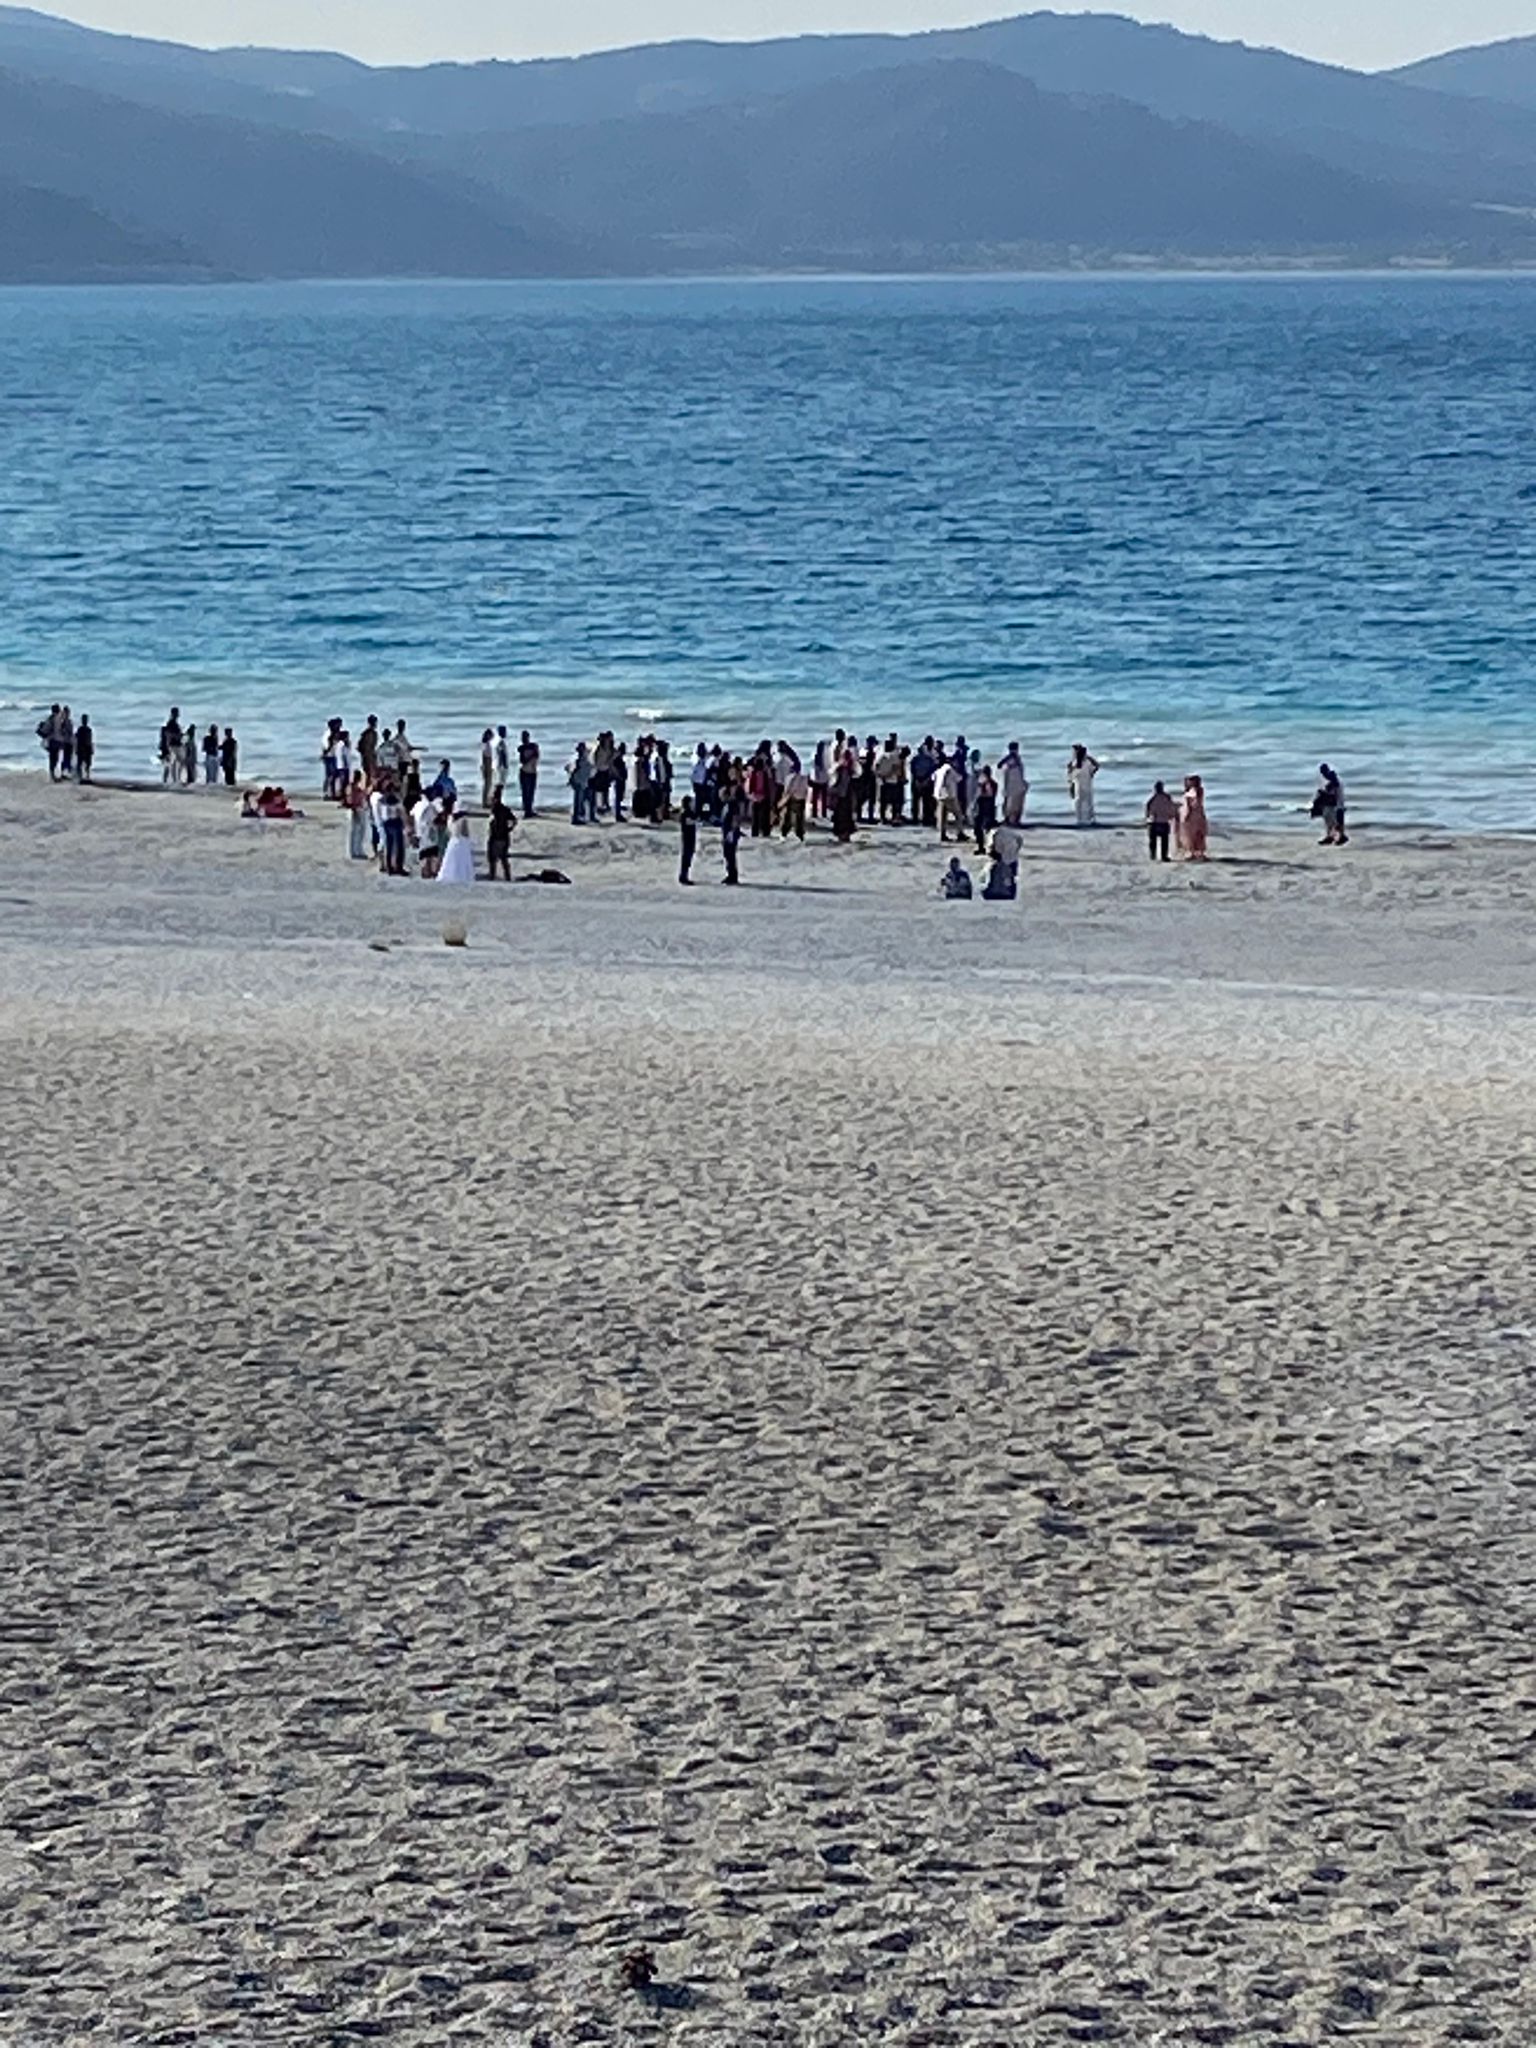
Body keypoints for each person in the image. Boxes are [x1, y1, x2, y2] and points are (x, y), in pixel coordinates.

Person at [373, 777, 406, 876]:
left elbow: (379, 813)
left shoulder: (381, 800)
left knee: (389, 846)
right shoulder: (395, 799)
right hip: (395, 822)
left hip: (386, 823)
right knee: (399, 846)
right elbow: (401, 811)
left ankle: (389, 868)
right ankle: (398, 867)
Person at [986, 819, 1024, 898]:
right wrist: (1017, 850)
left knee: (1001, 874)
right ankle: (1012, 891)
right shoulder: (1008, 831)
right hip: (1013, 856)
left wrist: (993, 855)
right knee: (1013, 876)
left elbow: (995, 848)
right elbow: (1020, 839)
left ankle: (1001, 889)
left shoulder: (995, 834)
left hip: (1004, 858)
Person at [1313, 764, 1349, 846]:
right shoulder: (1333, 778)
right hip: (1338, 802)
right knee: (1334, 821)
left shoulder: (1333, 779)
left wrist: (1321, 797)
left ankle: (1336, 837)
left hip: (1336, 803)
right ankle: (1335, 836)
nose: (1323, 775)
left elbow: (1332, 791)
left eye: (1323, 772)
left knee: (1332, 821)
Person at [437, 814, 476, 885]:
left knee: (451, 860)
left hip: (453, 841)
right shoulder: (463, 820)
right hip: (462, 841)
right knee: (463, 860)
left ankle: (449, 875)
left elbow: (449, 832)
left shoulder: (450, 819)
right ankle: (462, 875)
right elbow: (465, 833)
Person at [1178, 775, 1208, 861]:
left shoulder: (1194, 791)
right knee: (1199, 834)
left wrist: (1186, 815)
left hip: (1192, 816)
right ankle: (1199, 853)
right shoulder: (1200, 790)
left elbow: (1190, 805)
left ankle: (1193, 853)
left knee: (1191, 834)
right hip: (1199, 814)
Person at [1068, 744, 1100, 826]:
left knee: (1081, 804)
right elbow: (1096, 766)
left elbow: (1070, 778)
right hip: (1084, 787)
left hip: (1082, 788)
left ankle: (1083, 820)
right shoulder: (1081, 763)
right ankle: (1086, 820)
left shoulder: (1079, 764)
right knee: (1085, 804)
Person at [486, 788, 514, 880]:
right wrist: (509, 829)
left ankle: (492, 876)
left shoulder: (495, 810)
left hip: (496, 837)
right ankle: (507, 877)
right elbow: (513, 820)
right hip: (504, 836)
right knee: (504, 859)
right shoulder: (505, 809)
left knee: (492, 859)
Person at [1145, 781, 1177, 862]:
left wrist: (1148, 816)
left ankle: (1153, 855)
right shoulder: (1167, 797)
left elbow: (1148, 809)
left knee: (1153, 841)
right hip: (1163, 821)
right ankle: (1163, 856)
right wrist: (1172, 815)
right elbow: (1171, 808)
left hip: (1154, 822)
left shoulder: (1153, 798)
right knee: (1164, 841)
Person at [999, 743, 1029, 827]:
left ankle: (1014, 820)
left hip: (1017, 785)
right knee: (1012, 804)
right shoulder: (1011, 760)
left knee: (1016, 803)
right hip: (1013, 785)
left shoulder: (1015, 759)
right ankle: (1010, 820)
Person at [412, 790, 441, 877]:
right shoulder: (430, 806)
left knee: (423, 851)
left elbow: (411, 815)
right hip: (429, 830)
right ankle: (430, 871)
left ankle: (424, 871)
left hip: (419, 830)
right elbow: (434, 818)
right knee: (431, 852)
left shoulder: (417, 805)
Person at [972, 764, 999, 854]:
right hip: (990, 808)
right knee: (988, 829)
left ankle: (982, 847)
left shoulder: (985, 783)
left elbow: (987, 794)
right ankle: (988, 847)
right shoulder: (993, 783)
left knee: (979, 828)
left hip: (983, 807)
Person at [345, 770, 371, 859]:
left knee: (355, 831)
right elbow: (354, 799)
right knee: (358, 831)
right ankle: (357, 851)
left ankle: (354, 851)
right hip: (357, 809)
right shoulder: (354, 788)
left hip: (355, 809)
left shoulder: (352, 787)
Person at [781, 760, 809, 841]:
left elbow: (787, 789)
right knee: (799, 818)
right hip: (801, 799)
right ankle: (800, 834)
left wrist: (783, 799)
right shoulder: (804, 778)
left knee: (787, 817)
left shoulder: (789, 777)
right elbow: (806, 789)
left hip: (792, 798)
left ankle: (784, 833)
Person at [721, 787, 743, 884]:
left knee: (730, 854)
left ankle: (733, 876)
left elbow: (735, 818)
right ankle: (730, 874)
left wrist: (732, 831)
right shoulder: (726, 805)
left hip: (731, 832)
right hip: (726, 832)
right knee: (727, 854)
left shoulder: (732, 804)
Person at [568, 742, 593, 824]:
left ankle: (578, 816)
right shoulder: (578, 760)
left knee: (580, 800)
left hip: (581, 781)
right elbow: (573, 770)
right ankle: (576, 818)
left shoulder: (580, 759)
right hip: (579, 781)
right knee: (578, 800)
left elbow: (569, 769)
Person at [518, 730, 540, 818]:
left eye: (525, 737)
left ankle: (529, 809)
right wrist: (532, 755)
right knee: (525, 792)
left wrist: (534, 752)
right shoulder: (523, 749)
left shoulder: (532, 746)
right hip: (525, 771)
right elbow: (522, 761)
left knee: (531, 792)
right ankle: (527, 810)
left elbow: (537, 755)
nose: (524, 739)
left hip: (532, 771)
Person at [37, 704, 61, 780]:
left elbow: (45, 730)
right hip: (55, 740)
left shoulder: (52, 718)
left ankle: (52, 774)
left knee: (53, 758)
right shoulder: (56, 719)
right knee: (55, 757)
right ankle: (52, 774)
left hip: (53, 740)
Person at [159, 708, 182, 785]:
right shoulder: (172, 723)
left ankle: (171, 780)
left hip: (173, 746)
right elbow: (169, 735)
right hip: (173, 746)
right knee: (172, 764)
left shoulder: (173, 723)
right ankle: (172, 780)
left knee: (173, 764)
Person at [678, 795, 698, 885]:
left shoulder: (691, 812)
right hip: (687, 837)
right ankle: (683, 876)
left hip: (691, 837)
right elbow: (688, 822)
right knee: (686, 857)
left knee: (689, 857)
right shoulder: (685, 813)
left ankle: (685, 875)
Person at [358, 715, 380, 784]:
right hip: (369, 758)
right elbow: (368, 748)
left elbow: (360, 747)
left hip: (366, 758)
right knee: (371, 776)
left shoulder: (365, 734)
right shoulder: (371, 734)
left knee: (368, 776)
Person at [480, 728, 497, 811]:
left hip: (486, 766)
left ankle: (485, 801)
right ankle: (485, 802)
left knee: (487, 785)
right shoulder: (487, 746)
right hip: (487, 767)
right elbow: (487, 759)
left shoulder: (486, 745)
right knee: (487, 785)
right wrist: (489, 769)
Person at [56, 707, 74, 781]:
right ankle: (66, 773)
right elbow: (70, 732)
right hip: (68, 742)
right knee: (68, 758)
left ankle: (64, 772)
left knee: (65, 758)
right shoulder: (68, 722)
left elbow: (61, 732)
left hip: (65, 742)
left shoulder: (62, 722)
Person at [74, 714, 94, 782]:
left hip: (83, 748)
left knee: (82, 764)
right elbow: (90, 740)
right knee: (85, 764)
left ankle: (82, 776)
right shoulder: (87, 730)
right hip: (85, 748)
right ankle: (85, 776)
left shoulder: (81, 729)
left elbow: (77, 739)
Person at [182, 723, 199, 788]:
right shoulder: (190, 740)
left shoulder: (189, 739)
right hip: (190, 758)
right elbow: (189, 749)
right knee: (191, 771)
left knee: (190, 771)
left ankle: (190, 782)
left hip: (190, 757)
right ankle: (190, 783)